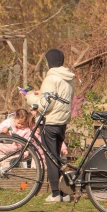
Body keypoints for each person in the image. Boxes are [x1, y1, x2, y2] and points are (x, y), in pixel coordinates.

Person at [37, 49, 75, 203]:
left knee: (51, 158)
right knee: (57, 157)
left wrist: (31, 99)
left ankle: (55, 194)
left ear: (49, 62)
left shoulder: (51, 78)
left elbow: (46, 104)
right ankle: (64, 193)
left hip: (50, 121)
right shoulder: (68, 78)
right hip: (62, 122)